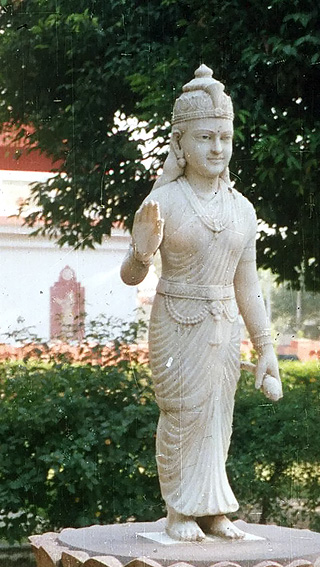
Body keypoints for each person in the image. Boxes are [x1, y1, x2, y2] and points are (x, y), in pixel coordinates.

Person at [120, 65, 282, 542]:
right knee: (182, 412)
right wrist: (143, 248)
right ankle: (178, 509)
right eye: (205, 137)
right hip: (176, 318)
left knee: (217, 415)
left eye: (225, 138)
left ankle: (211, 508)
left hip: (223, 323)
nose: (216, 148)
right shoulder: (163, 202)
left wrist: (266, 347)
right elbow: (132, 275)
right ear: (180, 144)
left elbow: (247, 285)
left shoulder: (243, 209)